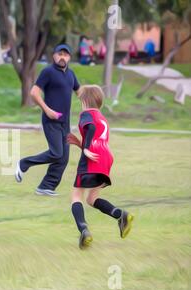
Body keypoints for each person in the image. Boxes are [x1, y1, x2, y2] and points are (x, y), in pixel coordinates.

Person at [67, 85, 134, 249]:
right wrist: (79, 143)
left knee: (76, 196)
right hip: (105, 157)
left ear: (85, 101)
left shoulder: (86, 114)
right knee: (92, 198)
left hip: (92, 158)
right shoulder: (102, 118)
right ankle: (121, 215)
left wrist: (87, 148)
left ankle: (84, 230)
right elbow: (97, 135)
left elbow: (90, 127)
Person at [15, 44, 80, 196]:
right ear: (54, 56)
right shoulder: (48, 72)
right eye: (60, 54)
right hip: (50, 121)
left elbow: (80, 92)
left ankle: (46, 186)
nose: (62, 57)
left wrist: (93, 101)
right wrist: (47, 110)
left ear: (69, 57)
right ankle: (23, 163)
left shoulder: (71, 74)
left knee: (64, 158)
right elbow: (34, 93)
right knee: (57, 153)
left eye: (66, 54)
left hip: (65, 123)